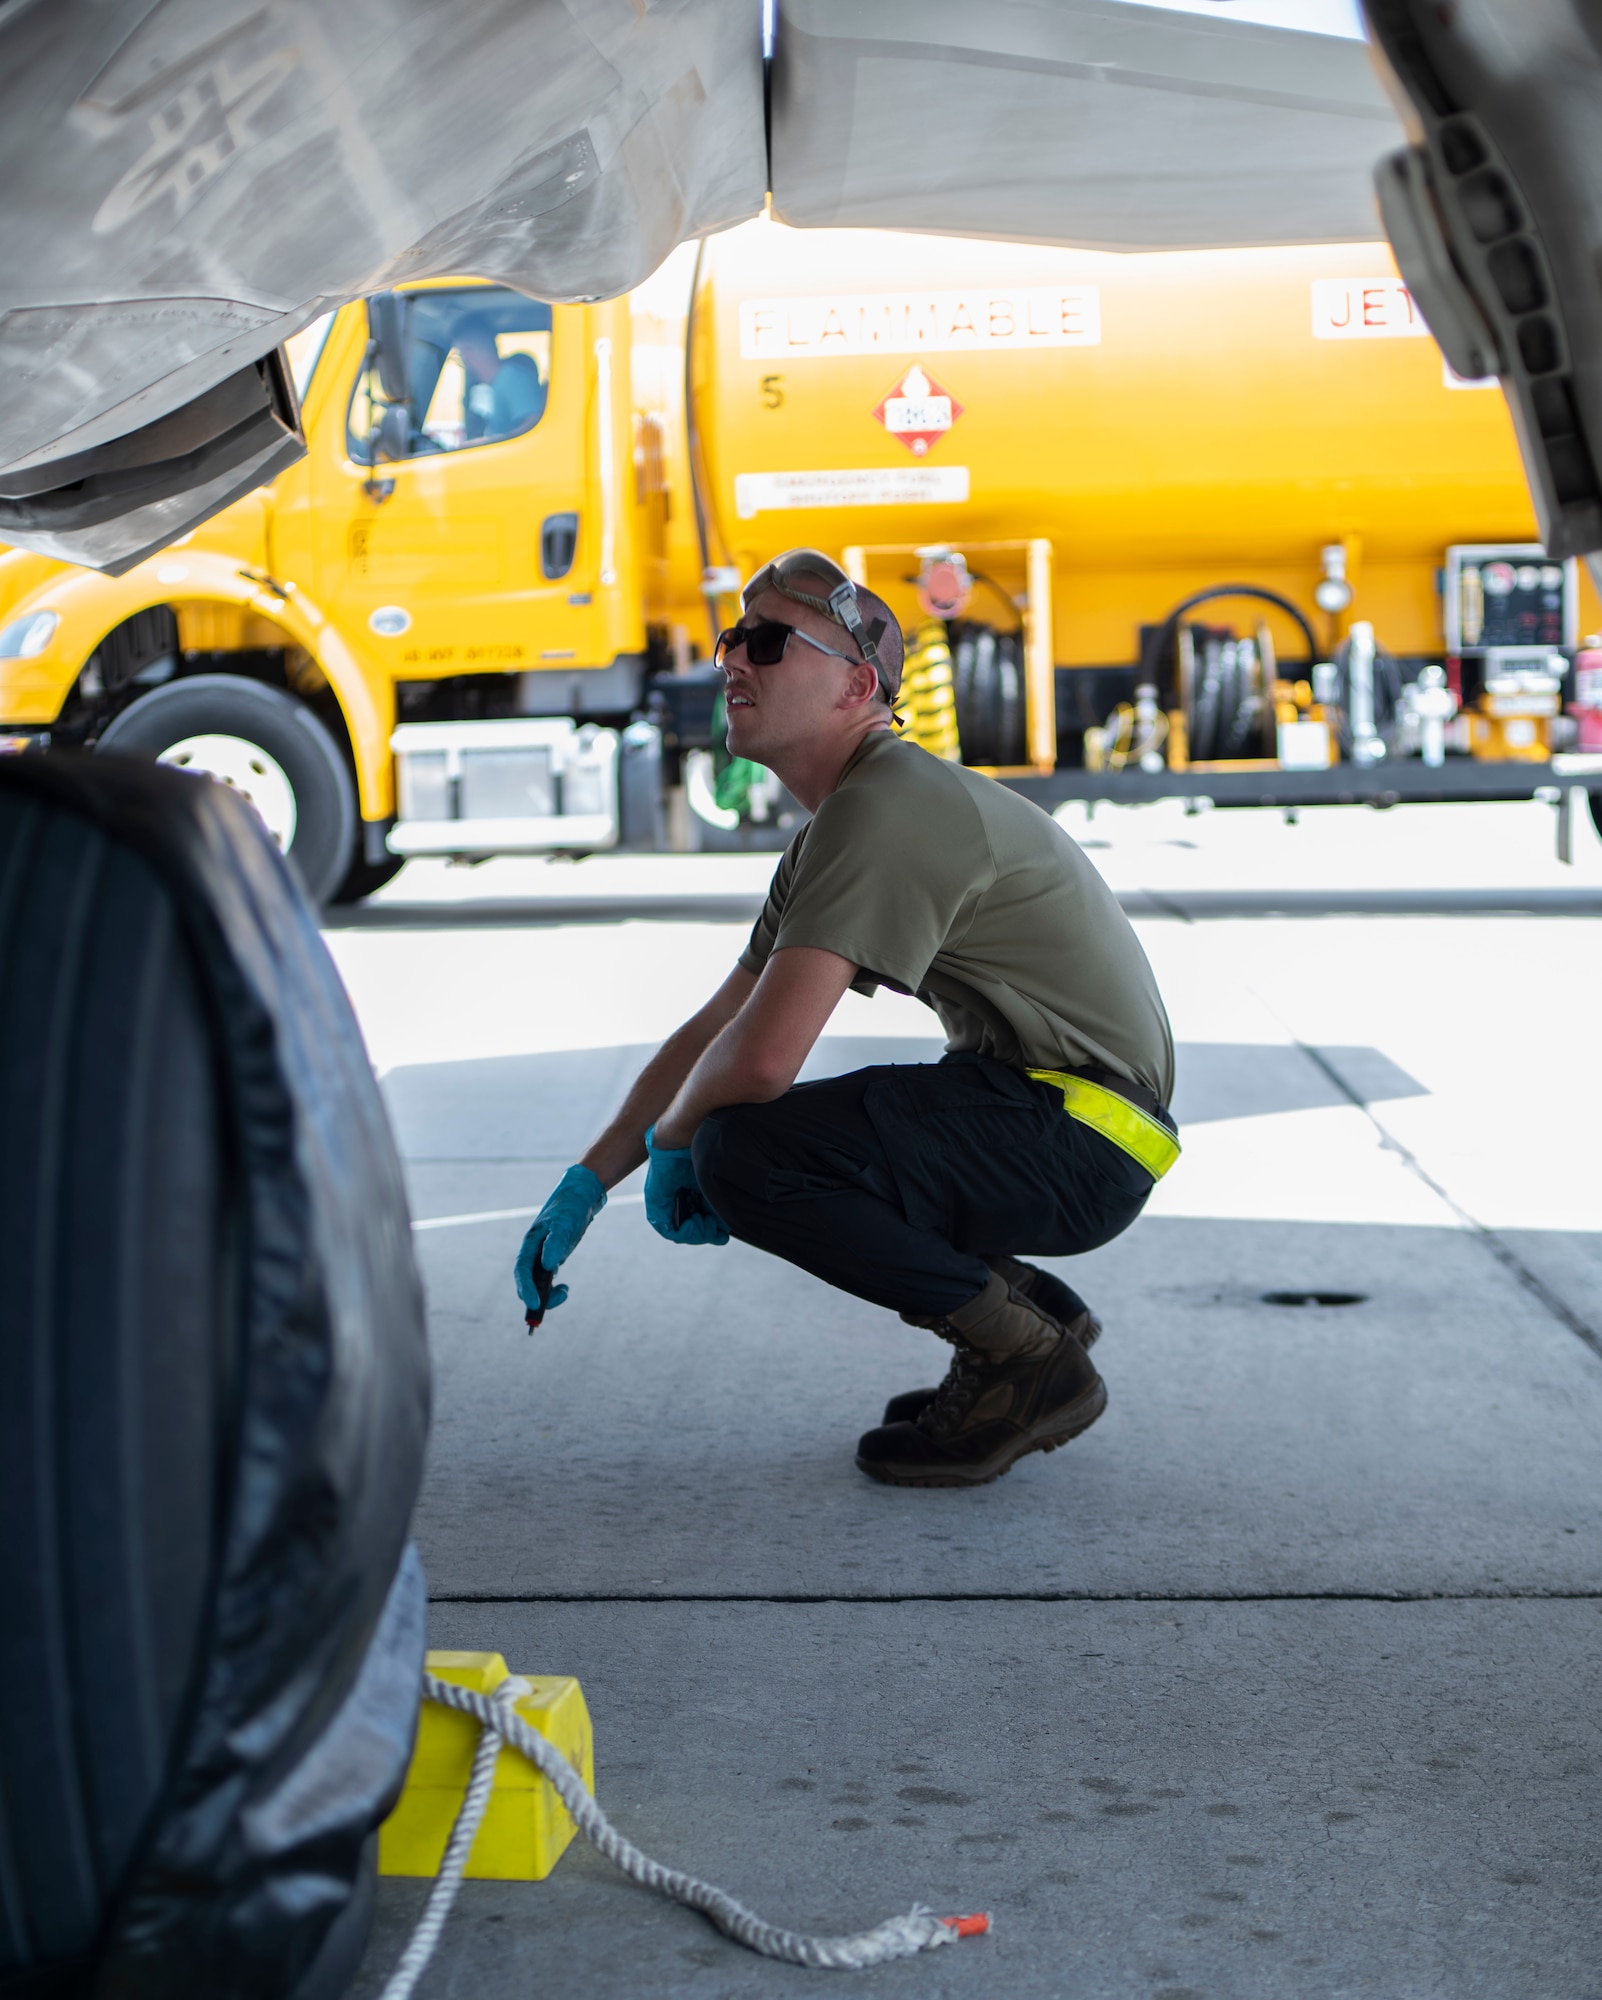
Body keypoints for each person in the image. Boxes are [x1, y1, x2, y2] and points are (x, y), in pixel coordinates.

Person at [514, 549, 1178, 1488]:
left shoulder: (889, 806)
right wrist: (589, 1181)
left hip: (1087, 1136)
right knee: (770, 1139)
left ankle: (1023, 1358)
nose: (732, 660)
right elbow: (719, 1028)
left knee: (752, 1153)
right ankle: (1028, 1322)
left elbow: (762, 1063)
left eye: (769, 642)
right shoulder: (848, 820)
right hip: (1063, 1117)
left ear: (856, 684)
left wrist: (676, 1143)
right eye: (731, 639)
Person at [454, 313, 545, 441]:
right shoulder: (500, 382)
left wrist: (487, 443)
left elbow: (534, 426)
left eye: (460, 357)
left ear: (468, 354)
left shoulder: (513, 378)